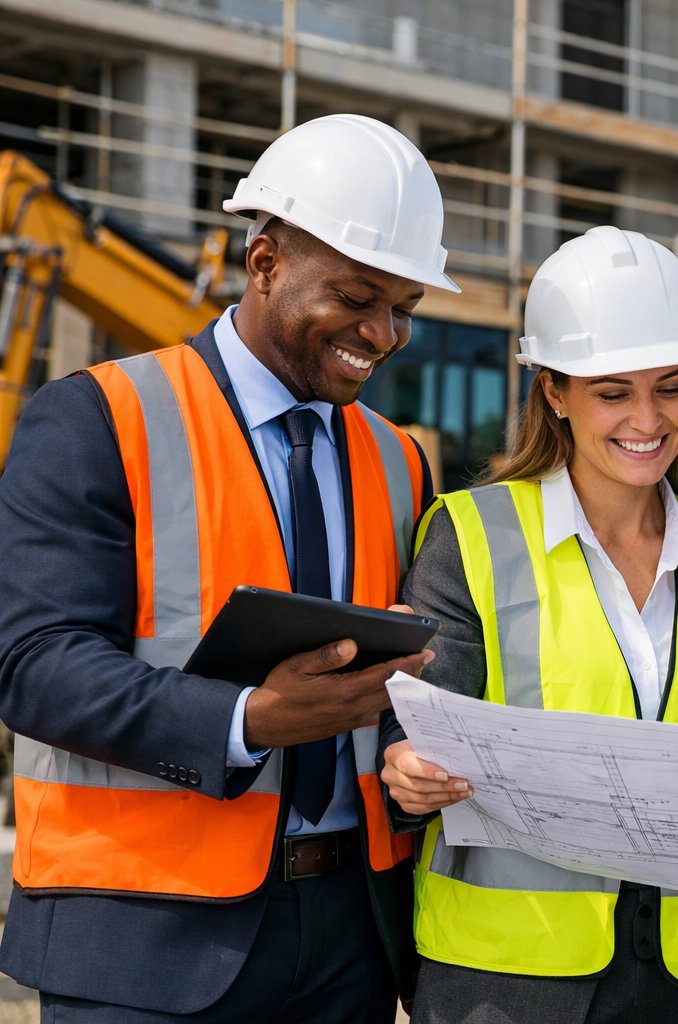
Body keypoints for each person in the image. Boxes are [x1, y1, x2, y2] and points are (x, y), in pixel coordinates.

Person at [0, 112, 456, 1021]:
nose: (383, 333)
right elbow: (33, 663)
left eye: (404, 307)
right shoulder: (99, 416)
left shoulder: (400, 459)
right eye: (357, 297)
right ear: (265, 263)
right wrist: (249, 721)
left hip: (350, 937)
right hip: (141, 933)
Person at [379, 225, 678, 1024]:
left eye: (671, 387)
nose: (648, 418)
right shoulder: (472, 536)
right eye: (613, 392)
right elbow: (414, 730)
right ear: (555, 393)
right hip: (506, 982)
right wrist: (409, 773)